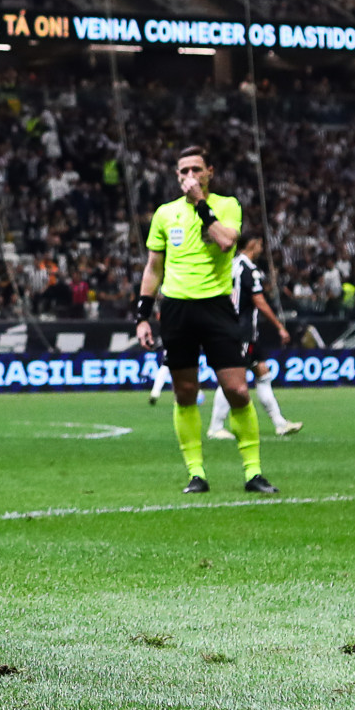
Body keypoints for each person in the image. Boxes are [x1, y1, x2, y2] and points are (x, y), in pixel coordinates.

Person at [135, 146, 277, 495]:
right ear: (177, 176)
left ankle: (253, 472)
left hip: (216, 307)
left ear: (209, 172)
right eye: (183, 172)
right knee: (185, 392)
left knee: (238, 389)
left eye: (196, 170)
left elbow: (228, 242)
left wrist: (200, 203)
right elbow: (154, 267)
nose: (189, 177)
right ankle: (196, 474)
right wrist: (142, 315)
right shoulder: (165, 214)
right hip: (177, 309)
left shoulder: (226, 205)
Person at [207, 233, 300, 439]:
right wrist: (279, 327)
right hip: (242, 330)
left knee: (263, 373)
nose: (261, 248)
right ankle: (215, 427)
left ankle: (279, 423)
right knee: (233, 378)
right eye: (259, 243)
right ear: (251, 244)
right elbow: (259, 301)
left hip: (237, 328)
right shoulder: (248, 269)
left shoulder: (231, 265)